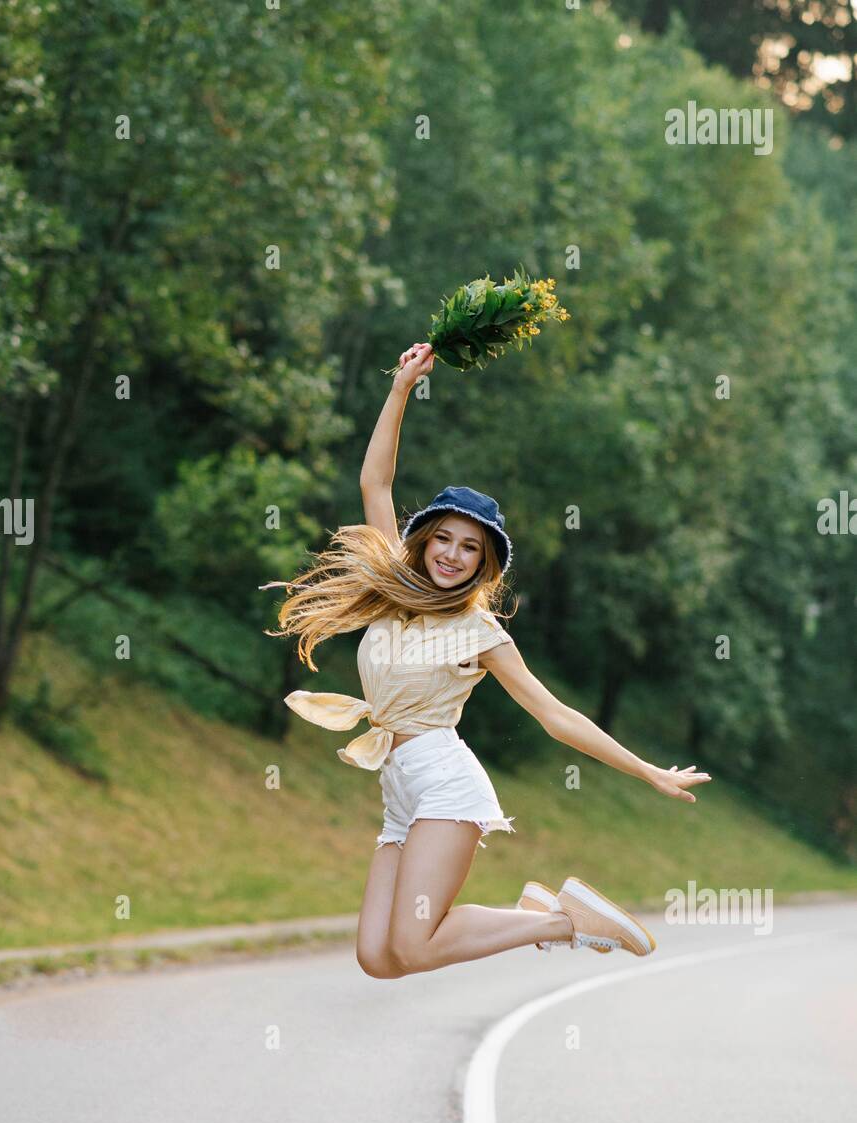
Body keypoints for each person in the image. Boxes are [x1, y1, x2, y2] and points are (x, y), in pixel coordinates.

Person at [263, 342, 711, 978]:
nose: (450, 553)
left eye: (468, 547)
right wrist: (399, 392)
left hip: (445, 785)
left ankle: (566, 921)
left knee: (415, 945)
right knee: (378, 958)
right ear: (422, 543)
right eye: (442, 537)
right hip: (400, 791)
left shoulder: (478, 632)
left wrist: (649, 772)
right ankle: (538, 910)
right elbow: (376, 482)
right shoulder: (394, 591)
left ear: (483, 563)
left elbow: (555, 717)